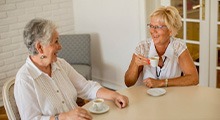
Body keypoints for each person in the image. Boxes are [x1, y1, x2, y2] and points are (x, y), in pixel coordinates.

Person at [14, 18, 129, 120]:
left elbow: (86, 87)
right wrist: (65, 117)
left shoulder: (60, 64)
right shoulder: (24, 80)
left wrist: (115, 95)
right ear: (39, 47)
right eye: (56, 41)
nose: (60, 46)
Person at [124, 6, 199, 88]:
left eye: (158, 27)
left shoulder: (178, 47)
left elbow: (194, 78)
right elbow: (128, 83)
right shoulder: (143, 47)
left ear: (170, 31)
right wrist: (135, 65)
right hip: (146, 97)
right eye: (151, 26)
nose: (153, 31)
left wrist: (162, 82)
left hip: (170, 96)